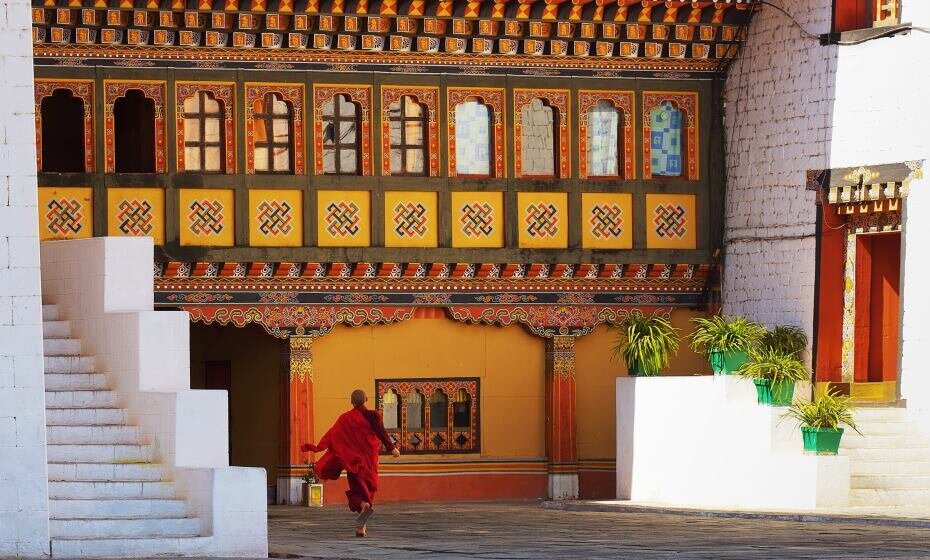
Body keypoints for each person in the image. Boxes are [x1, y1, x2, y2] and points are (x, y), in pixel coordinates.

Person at [301, 389, 400, 537]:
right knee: (369, 489)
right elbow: (382, 432)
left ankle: (362, 508)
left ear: (351, 402)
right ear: (366, 399)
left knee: (357, 490)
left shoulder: (344, 419)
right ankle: (361, 527)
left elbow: (332, 435)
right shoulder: (373, 416)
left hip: (353, 463)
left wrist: (318, 447)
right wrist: (392, 448)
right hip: (370, 462)